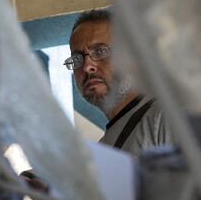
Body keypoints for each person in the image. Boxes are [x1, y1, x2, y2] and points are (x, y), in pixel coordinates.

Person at [66, 8, 174, 155]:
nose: (86, 66)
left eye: (100, 51)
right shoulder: (105, 147)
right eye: (77, 58)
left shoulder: (167, 117)